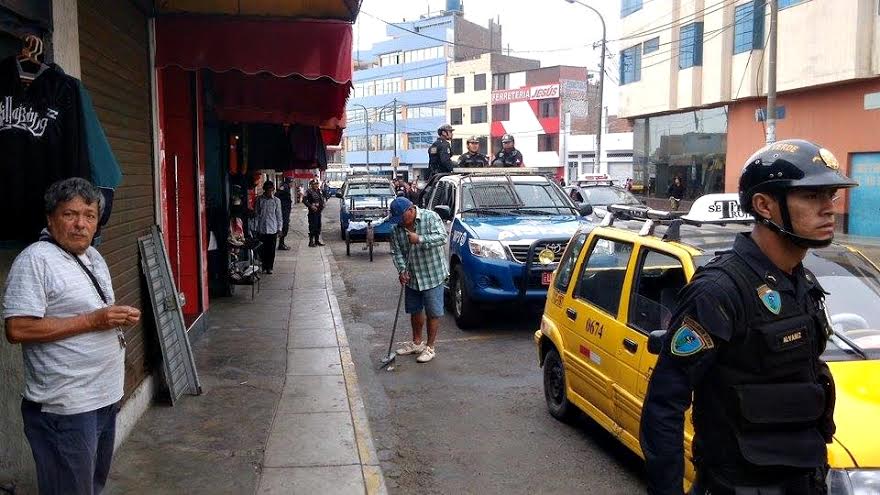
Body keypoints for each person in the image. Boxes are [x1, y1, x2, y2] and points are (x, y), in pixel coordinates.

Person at [640, 140, 858, 495]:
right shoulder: (719, 291)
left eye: (830, 196)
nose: (829, 209)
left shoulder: (801, 282)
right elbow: (664, 406)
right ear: (764, 206)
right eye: (812, 196)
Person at [3, 178, 141, 495]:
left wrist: (115, 318)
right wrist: (93, 321)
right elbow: (17, 329)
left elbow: (92, 314)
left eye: (89, 215)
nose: (81, 224)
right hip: (66, 408)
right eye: (70, 214)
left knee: (90, 485)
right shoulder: (35, 260)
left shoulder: (93, 257)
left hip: (103, 399)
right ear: (51, 219)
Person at [387, 197, 449, 364]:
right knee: (415, 310)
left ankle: (430, 347)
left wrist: (420, 239)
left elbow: (442, 237)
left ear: (410, 210)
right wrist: (402, 270)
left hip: (432, 274)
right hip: (413, 276)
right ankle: (417, 343)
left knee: (433, 312)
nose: (399, 222)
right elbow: (396, 252)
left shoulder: (431, 217)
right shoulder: (396, 229)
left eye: (401, 217)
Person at [255, 180, 283, 274]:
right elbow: (257, 214)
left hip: (272, 228)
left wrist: (280, 228)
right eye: (267, 190)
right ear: (264, 190)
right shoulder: (259, 200)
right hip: (261, 229)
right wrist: (255, 228)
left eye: (271, 190)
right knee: (262, 249)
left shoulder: (276, 201)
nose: (269, 192)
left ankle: (269, 267)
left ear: (273, 190)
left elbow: (279, 215)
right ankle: (264, 265)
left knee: (271, 250)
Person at [302, 178, 326, 247]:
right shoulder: (309, 192)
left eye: (317, 184)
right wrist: (311, 206)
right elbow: (304, 200)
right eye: (314, 184)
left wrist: (323, 204)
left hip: (319, 212)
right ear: (311, 185)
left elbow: (322, 199)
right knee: (312, 227)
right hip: (312, 212)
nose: (316, 185)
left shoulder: (319, 191)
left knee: (318, 226)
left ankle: (317, 241)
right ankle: (311, 242)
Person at [276, 177, 293, 251]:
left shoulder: (287, 187)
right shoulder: (284, 187)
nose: (292, 184)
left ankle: (281, 243)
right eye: (291, 182)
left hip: (285, 210)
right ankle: (281, 244)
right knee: (284, 227)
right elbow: (277, 194)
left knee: (285, 227)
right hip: (283, 211)